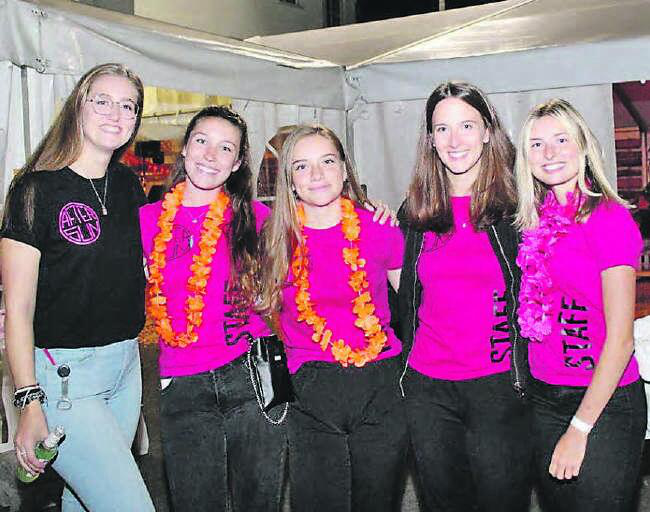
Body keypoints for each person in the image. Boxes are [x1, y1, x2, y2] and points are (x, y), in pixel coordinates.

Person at [1, 63, 154, 511]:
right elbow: (18, 310)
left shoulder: (127, 184)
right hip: (66, 378)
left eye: (128, 105)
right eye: (102, 101)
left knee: (84, 502)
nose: (115, 113)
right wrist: (29, 401)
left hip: (126, 366)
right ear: (78, 107)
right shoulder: (35, 190)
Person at [139, 105, 285, 512]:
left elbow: (313, 254)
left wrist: (368, 211)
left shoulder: (258, 218)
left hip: (257, 370)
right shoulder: (146, 221)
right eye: (202, 141)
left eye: (225, 148)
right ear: (185, 148)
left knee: (261, 500)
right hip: (182, 380)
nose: (210, 155)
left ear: (237, 163)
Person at [397, 81, 532, 512]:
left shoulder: (518, 209)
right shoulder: (415, 213)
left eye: (467, 126)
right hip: (428, 389)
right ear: (430, 139)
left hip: (499, 385)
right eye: (442, 129)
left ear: (488, 131)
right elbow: (402, 293)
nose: (454, 140)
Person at [258, 124, 407, 511]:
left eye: (327, 161)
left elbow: (415, 305)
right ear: (290, 180)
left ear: (344, 169)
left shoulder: (379, 228)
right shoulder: (273, 238)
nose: (317, 175)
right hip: (311, 390)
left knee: (378, 501)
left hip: (379, 381)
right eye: (302, 166)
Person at [514, 98, 646, 512]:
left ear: (584, 146)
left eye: (561, 139)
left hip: (603, 403)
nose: (549, 153)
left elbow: (621, 341)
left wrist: (580, 427)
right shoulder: (535, 220)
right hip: (545, 396)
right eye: (536, 144)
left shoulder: (608, 219)